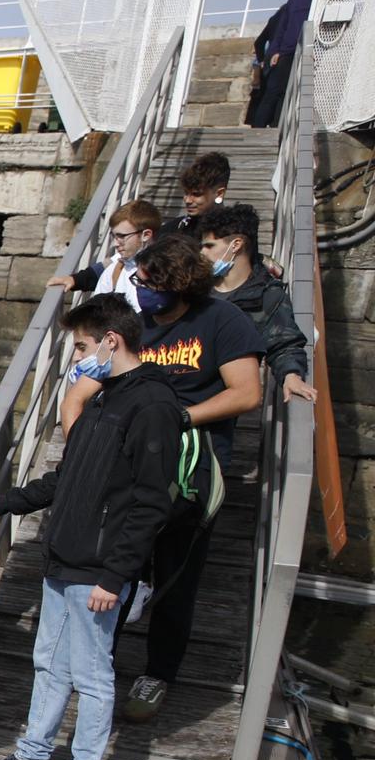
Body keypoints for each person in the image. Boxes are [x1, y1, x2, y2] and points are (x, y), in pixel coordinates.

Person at [0, 296, 181, 760]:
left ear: (113, 339)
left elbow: (154, 501)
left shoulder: (152, 406)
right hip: (64, 558)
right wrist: (6, 501)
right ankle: (34, 755)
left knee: (91, 672)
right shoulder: (103, 401)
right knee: (48, 663)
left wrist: (118, 572)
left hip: (100, 570)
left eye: (83, 345)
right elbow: (67, 478)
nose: (78, 357)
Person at [116, 234, 265, 722]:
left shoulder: (223, 321)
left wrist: (183, 417)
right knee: (117, 563)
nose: (141, 289)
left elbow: (246, 393)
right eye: (138, 280)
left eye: (150, 280)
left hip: (192, 467)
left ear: (179, 282)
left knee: (176, 574)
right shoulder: (137, 326)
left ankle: (158, 672)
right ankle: (99, 654)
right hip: (134, 462)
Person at [200, 201, 317, 404]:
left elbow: (284, 343)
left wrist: (291, 375)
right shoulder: (195, 288)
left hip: (220, 403)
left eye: (209, 246)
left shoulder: (267, 297)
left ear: (236, 245)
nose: (202, 253)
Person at [46, 201, 160, 310]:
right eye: (114, 236)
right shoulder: (116, 267)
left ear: (146, 235)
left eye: (122, 236)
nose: (115, 243)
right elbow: (102, 269)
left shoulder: (166, 271)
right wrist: (75, 279)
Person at [247, 0, 316, 128]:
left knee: (270, 95)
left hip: (275, 56)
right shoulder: (309, 1)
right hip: (289, 52)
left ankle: (259, 127)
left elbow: (262, 40)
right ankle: (274, 127)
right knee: (282, 95)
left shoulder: (285, 8)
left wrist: (262, 60)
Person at [159, 153, 229, 238]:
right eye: (186, 193)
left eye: (196, 194)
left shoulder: (236, 232)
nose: (187, 200)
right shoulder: (172, 231)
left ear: (219, 194)